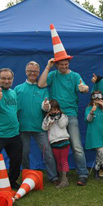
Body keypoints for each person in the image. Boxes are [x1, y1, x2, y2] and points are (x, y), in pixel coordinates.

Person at [38, 57, 90, 186]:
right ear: (57, 65)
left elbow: (84, 87)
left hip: (70, 115)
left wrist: (84, 88)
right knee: (55, 145)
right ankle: (58, 175)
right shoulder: (53, 75)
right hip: (55, 115)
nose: (64, 66)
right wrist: (48, 66)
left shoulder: (75, 76)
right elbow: (41, 84)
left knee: (76, 146)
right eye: (61, 64)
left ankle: (83, 173)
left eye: (66, 64)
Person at [14, 61, 58, 185]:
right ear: (26, 72)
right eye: (30, 71)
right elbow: (13, 109)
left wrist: (46, 106)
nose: (32, 73)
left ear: (39, 72)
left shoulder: (43, 89)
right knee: (24, 153)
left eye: (35, 71)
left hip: (39, 127)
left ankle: (53, 176)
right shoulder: (18, 89)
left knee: (47, 152)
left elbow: (46, 108)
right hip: (23, 127)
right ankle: (26, 176)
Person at [85, 91, 103, 182]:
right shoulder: (89, 109)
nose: (97, 99)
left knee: (99, 155)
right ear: (92, 99)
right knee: (101, 153)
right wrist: (92, 111)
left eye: (99, 97)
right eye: (95, 97)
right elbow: (88, 119)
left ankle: (96, 171)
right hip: (94, 135)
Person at [42, 99, 70, 189]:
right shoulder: (47, 117)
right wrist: (48, 120)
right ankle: (60, 177)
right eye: (51, 110)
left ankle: (65, 180)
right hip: (54, 142)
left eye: (54, 109)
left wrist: (59, 116)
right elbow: (44, 128)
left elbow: (62, 125)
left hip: (64, 140)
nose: (53, 111)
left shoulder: (63, 116)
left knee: (63, 160)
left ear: (58, 109)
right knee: (58, 161)